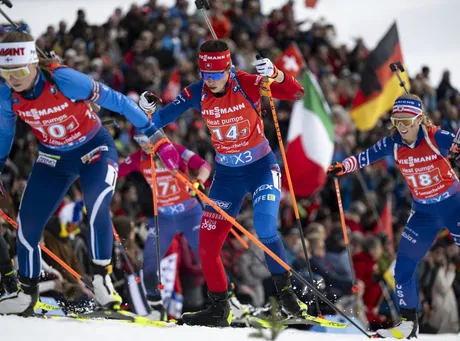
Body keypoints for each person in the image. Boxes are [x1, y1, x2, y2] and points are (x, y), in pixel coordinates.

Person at [0, 27, 179, 315]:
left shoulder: (64, 79)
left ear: (33, 63)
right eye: (5, 72)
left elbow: (118, 102)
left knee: (96, 205)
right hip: (53, 158)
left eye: (19, 72)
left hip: (94, 149)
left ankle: (101, 278)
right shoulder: (6, 94)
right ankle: (26, 292)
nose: (12, 80)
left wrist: (155, 135)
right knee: (27, 224)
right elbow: (4, 133)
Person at [140, 38, 306, 326]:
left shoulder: (247, 83)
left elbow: (296, 92)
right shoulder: (198, 91)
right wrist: (146, 108)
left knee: (266, 227)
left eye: (216, 74)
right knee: (206, 246)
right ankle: (219, 308)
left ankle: (288, 296)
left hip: (261, 169)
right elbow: (160, 119)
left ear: (228, 69)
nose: (211, 81)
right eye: (205, 74)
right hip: (227, 176)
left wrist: (276, 74)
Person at [328, 93, 460, 339]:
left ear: (419, 119)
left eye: (407, 121)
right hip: (424, 213)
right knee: (402, 269)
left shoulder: (435, 138)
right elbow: (364, 156)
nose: (402, 127)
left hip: (453, 206)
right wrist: (343, 166)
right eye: (397, 121)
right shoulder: (393, 143)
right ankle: (409, 324)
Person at [118, 133, 211, 319]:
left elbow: (204, 166)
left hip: (189, 214)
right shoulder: (138, 158)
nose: (144, 145)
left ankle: (226, 298)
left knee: (206, 256)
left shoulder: (175, 149)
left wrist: (199, 181)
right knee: (150, 262)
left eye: (147, 140)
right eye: (139, 141)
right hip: (164, 218)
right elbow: (115, 171)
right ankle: (155, 306)